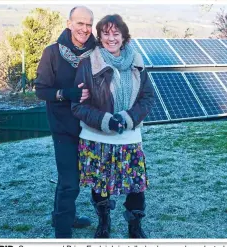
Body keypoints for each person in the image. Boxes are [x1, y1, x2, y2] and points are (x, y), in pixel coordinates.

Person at [71, 14, 154, 239]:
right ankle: (104, 222)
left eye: (116, 33)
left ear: (124, 37)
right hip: (97, 137)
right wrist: (106, 120)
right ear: (99, 37)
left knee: (136, 186)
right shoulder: (88, 64)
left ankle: (134, 227)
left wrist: (127, 118)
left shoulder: (137, 63)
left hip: (129, 137)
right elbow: (78, 106)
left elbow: (147, 98)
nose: (111, 38)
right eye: (106, 33)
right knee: (101, 185)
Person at [34, 6, 96, 238]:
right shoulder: (52, 53)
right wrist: (65, 93)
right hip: (63, 126)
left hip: (91, 126)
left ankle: (65, 215)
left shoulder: (97, 52)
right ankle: (62, 230)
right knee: (69, 180)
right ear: (69, 23)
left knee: (82, 178)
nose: (85, 29)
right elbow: (41, 91)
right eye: (80, 23)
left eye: (89, 24)